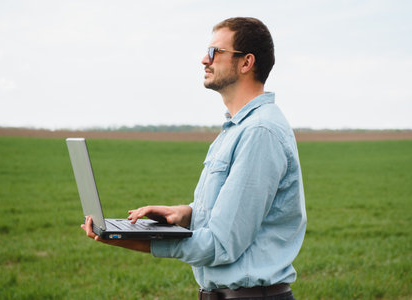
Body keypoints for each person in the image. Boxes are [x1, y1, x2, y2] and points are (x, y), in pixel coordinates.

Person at [82, 17, 306, 300]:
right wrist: (186, 213)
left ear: (246, 62)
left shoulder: (259, 132)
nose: (204, 59)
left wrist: (131, 239)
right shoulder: (237, 128)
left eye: (215, 52)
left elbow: (221, 244)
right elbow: (233, 209)